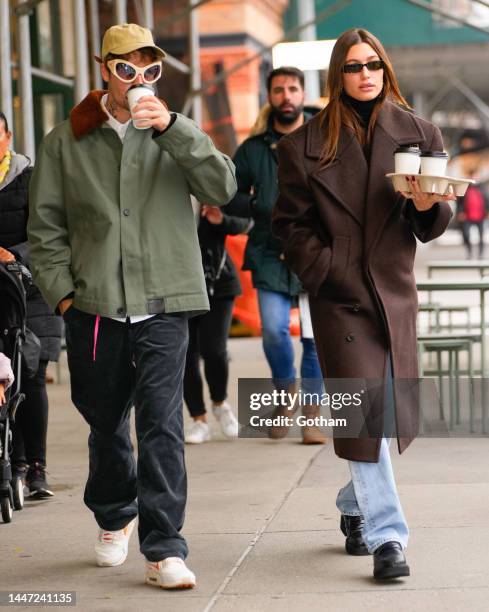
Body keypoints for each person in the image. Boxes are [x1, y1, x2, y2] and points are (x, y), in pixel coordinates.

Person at [28, 24, 236, 590]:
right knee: (105, 421)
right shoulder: (64, 140)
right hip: (94, 306)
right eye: (127, 70)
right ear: (105, 69)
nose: (139, 82)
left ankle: (165, 547)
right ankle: (115, 512)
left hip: (166, 303)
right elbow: (44, 226)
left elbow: (222, 188)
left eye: (150, 72)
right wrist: (65, 295)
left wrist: (173, 128)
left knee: (163, 424)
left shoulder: (174, 131)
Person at [272, 28, 454, 580]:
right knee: (365, 413)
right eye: (353, 66)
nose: (365, 74)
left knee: (375, 417)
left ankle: (355, 507)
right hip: (339, 300)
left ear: (386, 68)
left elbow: (433, 224)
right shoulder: (301, 145)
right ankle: (388, 539)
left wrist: (427, 205)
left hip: (393, 294)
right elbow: (289, 226)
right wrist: (326, 268)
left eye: (373, 64)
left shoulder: (421, 134)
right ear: (338, 75)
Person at [227, 67, 326, 444]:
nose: (287, 96)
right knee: (273, 330)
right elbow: (227, 191)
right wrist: (257, 203)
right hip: (270, 250)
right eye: (279, 90)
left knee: (315, 340)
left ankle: (312, 416)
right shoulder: (252, 149)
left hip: (317, 251)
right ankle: (286, 394)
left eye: (293, 89)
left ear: (303, 94)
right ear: (269, 96)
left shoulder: (324, 139)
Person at [0, 111, 62, 499]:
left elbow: (50, 233)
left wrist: (14, 256)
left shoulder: (30, 177)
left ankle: (35, 467)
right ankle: (14, 461)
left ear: (7, 137)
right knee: (3, 378)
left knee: (31, 374)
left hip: (31, 290)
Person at [184, 204, 251, 444]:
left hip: (218, 282)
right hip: (179, 286)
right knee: (186, 355)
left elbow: (246, 222)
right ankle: (198, 419)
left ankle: (220, 403)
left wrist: (221, 220)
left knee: (214, 350)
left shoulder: (211, 186)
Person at [456, 169, 489, 258]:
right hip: (467, 216)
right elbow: (459, 202)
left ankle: (481, 254)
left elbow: (487, 200)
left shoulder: (482, 188)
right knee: (466, 234)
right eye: (472, 176)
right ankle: (469, 252)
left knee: (481, 236)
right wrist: (460, 212)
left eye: (475, 175)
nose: (474, 177)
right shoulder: (465, 187)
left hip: (481, 216)